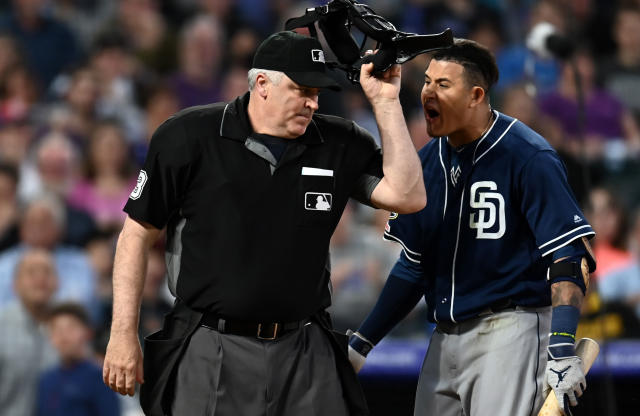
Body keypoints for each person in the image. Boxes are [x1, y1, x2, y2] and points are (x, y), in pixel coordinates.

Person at [102, 30, 425, 416]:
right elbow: (136, 235)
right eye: (301, 89)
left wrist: (387, 103)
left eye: (318, 92)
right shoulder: (189, 135)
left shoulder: (339, 141)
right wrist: (123, 334)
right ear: (261, 84)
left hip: (306, 347)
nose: (311, 102)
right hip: (211, 342)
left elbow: (407, 197)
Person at [348, 39, 596, 416]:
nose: (428, 92)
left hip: (509, 330)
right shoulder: (427, 162)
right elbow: (414, 266)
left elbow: (567, 257)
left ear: (476, 95)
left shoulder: (529, 156)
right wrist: (362, 341)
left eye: (443, 85)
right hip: (444, 335)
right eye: (427, 81)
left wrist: (561, 348)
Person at [0, 248, 58, 416]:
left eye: (47, 272)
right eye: (31, 273)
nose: (40, 279)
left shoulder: (72, 327)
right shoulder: (2, 326)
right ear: (15, 284)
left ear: (57, 282)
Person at [36, 302, 121, 416]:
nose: (63, 336)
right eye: (57, 329)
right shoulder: (46, 379)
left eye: (71, 328)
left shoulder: (100, 378)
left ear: (88, 332)